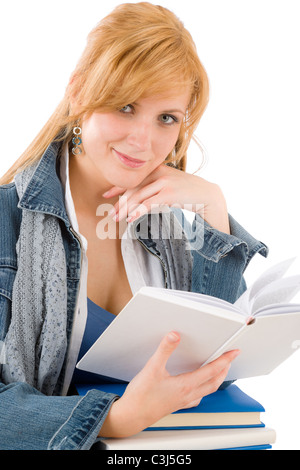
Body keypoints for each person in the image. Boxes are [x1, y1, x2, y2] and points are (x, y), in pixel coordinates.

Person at [0, 3, 268, 450]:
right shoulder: (7, 222)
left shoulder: (175, 233)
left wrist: (214, 210)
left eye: (166, 118)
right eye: (125, 107)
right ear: (80, 92)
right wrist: (113, 419)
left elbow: (209, 363)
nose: (143, 142)